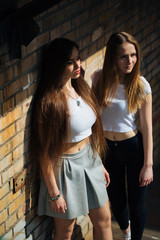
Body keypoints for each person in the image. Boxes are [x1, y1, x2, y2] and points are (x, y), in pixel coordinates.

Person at [30, 38, 113, 240]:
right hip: (65, 168)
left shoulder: (81, 88)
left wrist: (98, 162)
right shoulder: (48, 101)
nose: (78, 65)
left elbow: (88, 132)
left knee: (104, 220)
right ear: (57, 64)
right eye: (70, 62)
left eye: (79, 58)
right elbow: (43, 151)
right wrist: (54, 193)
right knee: (66, 230)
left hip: (90, 160)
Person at [91, 32, 153, 240]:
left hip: (133, 147)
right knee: (116, 200)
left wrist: (148, 165)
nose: (130, 61)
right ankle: (125, 233)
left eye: (133, 55)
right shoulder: (98, 79)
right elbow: (94, 121)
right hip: (107, 148)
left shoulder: (141, 85)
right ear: (113, 58)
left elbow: (146, 127)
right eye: (123, 56)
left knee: (137, 203)